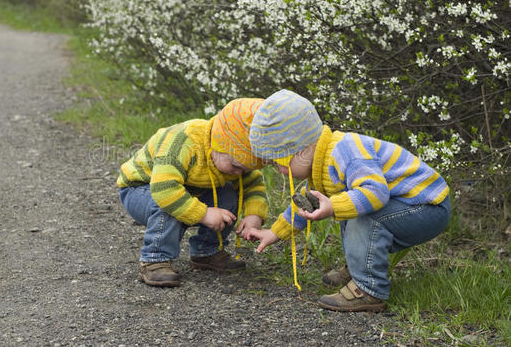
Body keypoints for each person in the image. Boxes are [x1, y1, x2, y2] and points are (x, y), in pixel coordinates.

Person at [246, 89, 451, 312]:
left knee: (363, 214)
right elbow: (302, 208)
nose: (279, 170)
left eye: (279, 162)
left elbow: (376, 192)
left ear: (302, 149)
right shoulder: (319, 166)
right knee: (351, 206)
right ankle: (359, 267)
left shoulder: (346, 151)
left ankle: (368, 289)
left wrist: (333, 206)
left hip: (426, 204)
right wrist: (274, 233)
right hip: (406, 203)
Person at [117, 98, 268, 287]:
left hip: (189, 189)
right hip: (141, 189)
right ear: (219, 146)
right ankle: (155, 259)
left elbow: (252, 185)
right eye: (236, 166)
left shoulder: (237, 155)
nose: (239, 173)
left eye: (244, 169)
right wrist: (204, 214)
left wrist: (254, 216)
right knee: (168, 203)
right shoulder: (183, 142)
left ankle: (206, 252)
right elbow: (164, 190)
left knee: (229, 194)